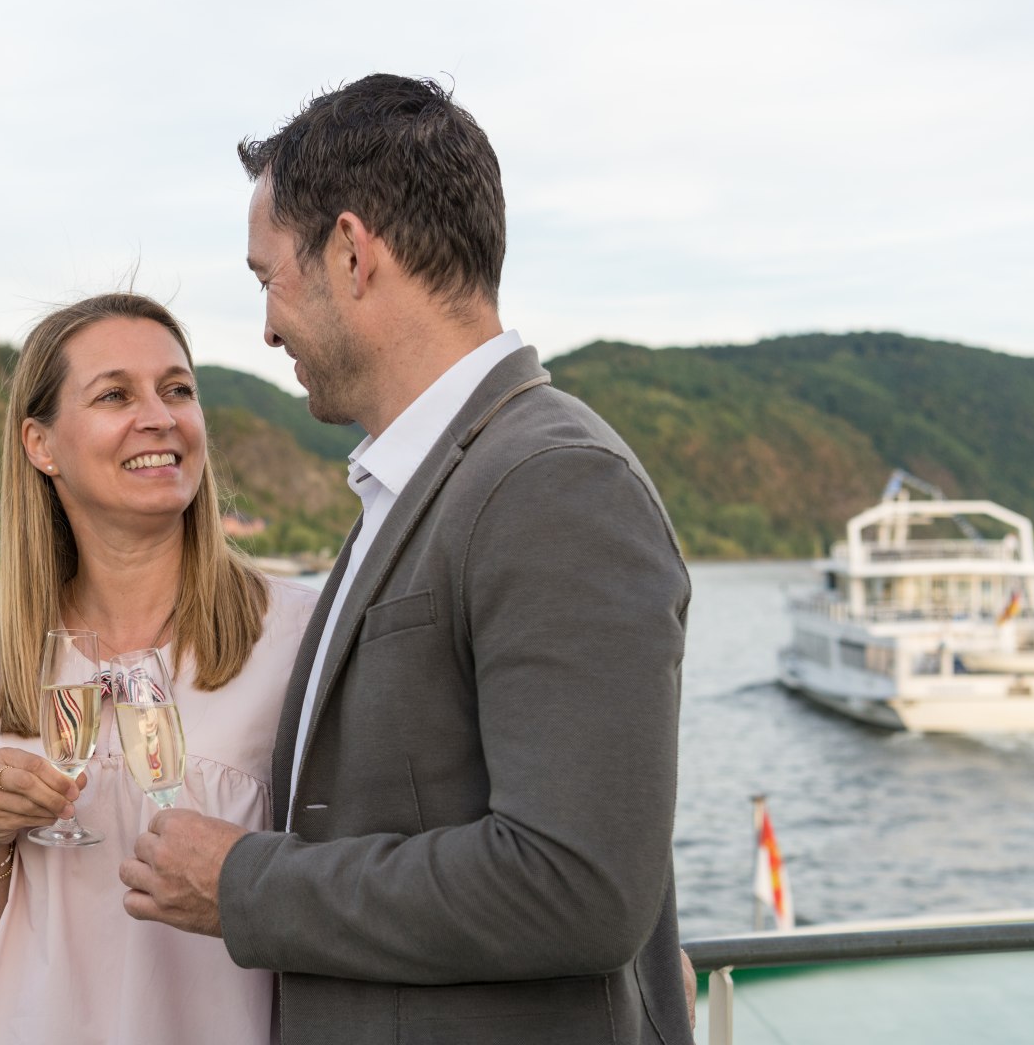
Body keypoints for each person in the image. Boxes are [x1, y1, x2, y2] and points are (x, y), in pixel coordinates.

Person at [120, 75, 697, 1043]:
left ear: (352, 252)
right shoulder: (422, 483)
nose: (265, 326)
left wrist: (243, 882)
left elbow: (579, 886)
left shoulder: (554, 484)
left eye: (270, 277)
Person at [0, 292, 320, 1043]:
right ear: (41, 446)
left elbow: (348, 903)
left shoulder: (296, 638)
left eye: (177, 390)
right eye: (115, 394)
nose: (161, 416)